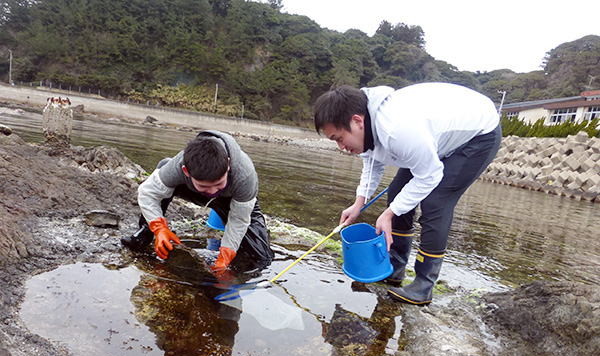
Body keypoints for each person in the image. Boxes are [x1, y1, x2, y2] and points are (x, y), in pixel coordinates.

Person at [313, 83, 501, 306]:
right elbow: (372, 164)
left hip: (477, 135)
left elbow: (430, 175)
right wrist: (358, 203)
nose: (340, 147)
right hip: (434, 139)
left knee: (436, 202)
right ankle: (395, 266)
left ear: (357, 121)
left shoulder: (397, 130)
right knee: (397, 193)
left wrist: (389, 214)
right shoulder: (369, 126)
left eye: (339, 138)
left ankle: (424, 284)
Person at [121, 130, 274, 275]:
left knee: (262, 258)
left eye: (218, 184)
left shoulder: (245, 176)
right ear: (186, 171)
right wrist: (159, 228)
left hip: (232, 200)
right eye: (205, 186)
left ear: (228, 166)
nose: (213, 191)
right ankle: (145, 234)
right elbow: (148, 193)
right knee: (163, 169)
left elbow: (239, 219)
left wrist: (226, 254)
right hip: (191, 191)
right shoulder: (177, 167)